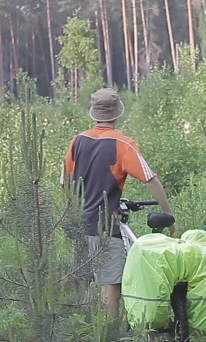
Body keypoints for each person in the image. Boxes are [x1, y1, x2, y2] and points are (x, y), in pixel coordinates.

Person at [62, 87, 177, 320]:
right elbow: (150, 179)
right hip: (104, 224)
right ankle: (110, 339)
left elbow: (65, 181)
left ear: (94, 113)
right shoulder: (123, 144)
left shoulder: (77, 141)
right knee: (110, 283)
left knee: (80, 277)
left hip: (76, 223)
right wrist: (169, 215)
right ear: (117, 114)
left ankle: (71, 326)